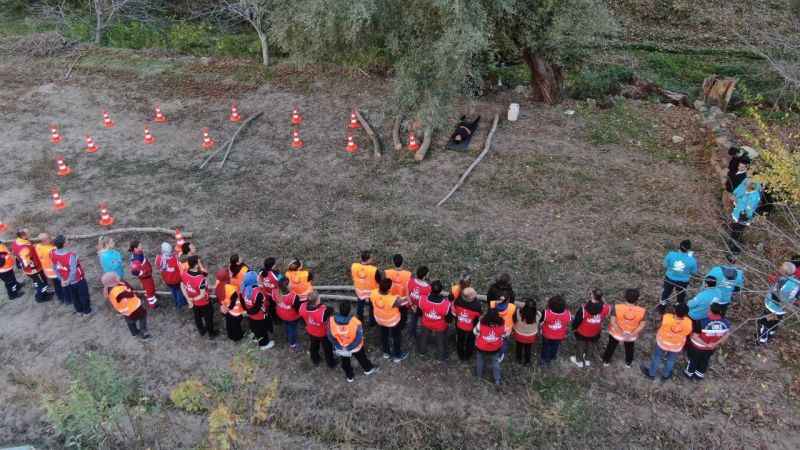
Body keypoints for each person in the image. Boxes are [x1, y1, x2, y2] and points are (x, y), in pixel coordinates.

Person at [328, 301, 378, 382]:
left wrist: (338, 345)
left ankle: (349, 376)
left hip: (342, 347)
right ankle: (368, 369)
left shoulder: (332, 321)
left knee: (345, 361)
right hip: (355, 347)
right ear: (349, 311)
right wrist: (350, 347)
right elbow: (358, 337)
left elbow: (330, 335)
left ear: (339, 310)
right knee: (362, 358)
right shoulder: (355, 322)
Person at [642, 303, 692, 380]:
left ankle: (651, 374)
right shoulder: (689, 322)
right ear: (686, 314)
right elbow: (688, 332)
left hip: (663, 342)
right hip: (676, 345)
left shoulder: (667, 317)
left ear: (675, 311)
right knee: (671, 360)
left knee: (657, 357)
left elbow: (660, 325)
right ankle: (665, 375)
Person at [685, 302, 731, 381]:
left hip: (697, 347)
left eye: (709, 310)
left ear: (711, 311)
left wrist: (706, 344)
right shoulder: (726, 323)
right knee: (705, 360)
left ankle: (689, 373)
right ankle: (699, 374)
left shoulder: (702, 322)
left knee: (693, 360)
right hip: (711, 348)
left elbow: (695, 336)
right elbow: (727, 334)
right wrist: (715, 344)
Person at [601, 288, 646, 368]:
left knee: (611, 346)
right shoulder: (642, 311)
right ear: (638, 298)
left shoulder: (617, 307)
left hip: (616, 333)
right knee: (629, 348)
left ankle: (606, 361)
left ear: (625, 297)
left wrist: (621, 332)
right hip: (631, 335)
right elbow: (642, 325)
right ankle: (628, 363)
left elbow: (613, 322)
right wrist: (631, 334)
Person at [758, 262, 800, 344]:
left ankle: (761, 340)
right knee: (775, 322)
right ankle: (770, 333)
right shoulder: (797, 283)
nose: (779, 268)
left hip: (772, 307)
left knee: (764, 322)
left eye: (781, 268)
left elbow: (776, 297)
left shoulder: (781, 281)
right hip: (782, 309)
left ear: (785, 272)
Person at [51, 234, 92, 315]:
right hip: (77, 280)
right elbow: (73, 271)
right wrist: (68, 280)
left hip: (66, 280)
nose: (68, 241)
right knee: (83, 295)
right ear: (64, 244)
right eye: (66, 240)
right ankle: (87, 311)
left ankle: (79, 310)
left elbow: (55, 268)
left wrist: (62, 279)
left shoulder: (53, 254)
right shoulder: (70, 256)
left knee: (74, 296)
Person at [370, 278, 409, 362]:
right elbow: (403, 303)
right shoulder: (392, 299)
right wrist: (408, 297)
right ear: (389, 288)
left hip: (380, 319)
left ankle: (386, 352)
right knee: (396, 337)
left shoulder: (373, 293)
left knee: (384, 335)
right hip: (392, 321)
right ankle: (397, 355)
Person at [101, 272, 149, 339]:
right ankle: (143, 333)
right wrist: (126, 285)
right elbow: (131, 294)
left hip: (125, 310)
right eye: (116, 278)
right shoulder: (118, 291)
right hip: (133, 308)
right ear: (113, 281)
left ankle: (134, 333)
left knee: (130, 321)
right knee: (143, 317)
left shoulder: (108, 289)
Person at [570, 289, 610, 368]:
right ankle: (587, 359)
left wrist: (574, 328)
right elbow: (607, 310)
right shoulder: (606, 308)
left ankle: (579, 361)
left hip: (582, 332)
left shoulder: (584, 309)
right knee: (591, 345)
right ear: (601, 297)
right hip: (595, 332)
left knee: (580, 345)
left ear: (592, 296)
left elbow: (577, 321)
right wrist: (601, 300)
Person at [11, 228, 52, 302]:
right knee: (41, 283)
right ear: (23, 235)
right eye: (28, 233)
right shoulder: (24, 248)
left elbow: (16, 254)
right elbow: (25, 261)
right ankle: (41, 298)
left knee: (37, 282)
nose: (29, 234)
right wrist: (29, 262)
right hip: (34, 269)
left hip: (30, 270)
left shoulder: (16, 242)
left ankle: (42, 294)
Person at [181, 255, 217, 339]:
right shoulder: (200, 279)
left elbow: (182, 285)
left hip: (194, 302)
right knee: (208, 318)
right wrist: (192, 299)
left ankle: (201, 330)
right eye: (199, 262)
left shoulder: (184, 273)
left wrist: (188, 298)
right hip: (204, 302)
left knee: (197, 317)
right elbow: (202, 294)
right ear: (196, 265)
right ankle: (211, 333)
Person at [299, 291, 336, 368]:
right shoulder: (323, 312)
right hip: (323, 334)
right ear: (317, 301)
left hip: (311, 331)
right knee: (327, 349)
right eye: (319, 298)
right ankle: (331, 363)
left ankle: (315, 359)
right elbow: (331, 310)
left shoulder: (302, 307)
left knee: (314, 346)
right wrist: (321, 305)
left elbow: (302, 317)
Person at [417, 280, 451, 361]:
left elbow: (419, 313)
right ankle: (440, 357)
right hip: (440, 326)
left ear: (430, 289)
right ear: (441, 291)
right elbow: (449, 319)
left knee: (423, 337)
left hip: (426, 323)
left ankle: (422, 352)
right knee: (440, 341)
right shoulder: (446, 304)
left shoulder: (422, 299)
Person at [658, 240, 698, 312]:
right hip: (683, 281)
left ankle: (662, 306)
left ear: (679, 246)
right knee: (681, 295)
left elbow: (665, 265)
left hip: (669, 278)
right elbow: (693, 272)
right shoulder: (692, 260)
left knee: (666, 292)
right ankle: (678, 307)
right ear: (689, 249)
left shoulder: (671, 254)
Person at [241, 271, 274, 350]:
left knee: (254, 327)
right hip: (259, 315)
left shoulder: (243, 288)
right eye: (257, 277)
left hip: (251, 314)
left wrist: (247, 311)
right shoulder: (258, 293)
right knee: (262, 330)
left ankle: (255, 338)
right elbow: (257, 308)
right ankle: (264, 344)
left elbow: (242, 301)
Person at [474, 308, 505, 385]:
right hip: (495, 348)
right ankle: (497, 379)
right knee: (495, 362)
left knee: (480, 360)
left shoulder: (481, 323)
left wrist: (479, 335)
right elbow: (504, 334)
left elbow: (475, 331)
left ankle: (479, 376)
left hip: (481, 347)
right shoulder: (502, 324)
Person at [540, 295, 571, 367]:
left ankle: (544, 360)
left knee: (546, 347)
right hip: (559, 336)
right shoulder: (567, 314)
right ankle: (552, 356)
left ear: (550, 304)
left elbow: (541, 322)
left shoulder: (546, 313)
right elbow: (567, 322)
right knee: (555, 346)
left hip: (546, 335)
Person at [273, 275, 302, 350]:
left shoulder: (275, 291)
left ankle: (287, 336)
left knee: (287, 325)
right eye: (290, 283)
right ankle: (293, 343)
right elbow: (297, 308)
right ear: (287, 287)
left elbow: (274, 300)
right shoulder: (293, 296)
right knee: (292, 329)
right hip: (292, 316)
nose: (291, 284)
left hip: (281, 313)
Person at [453, 287, 482, 361]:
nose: (475, 294)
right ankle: (468, 355)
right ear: (470, 297)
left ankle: (461, 355)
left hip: (459, 325)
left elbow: (455, 311)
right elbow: (478, 316)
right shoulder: (477, 305)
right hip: (471, 327)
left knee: (460, 340)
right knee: (470, 341)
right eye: (473, 294)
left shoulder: (457, 301)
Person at [215, 268, 245, 341]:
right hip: (233, 309)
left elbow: (219, 298)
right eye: (228, 273)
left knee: (229, 322)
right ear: (226, 277)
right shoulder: (230, 289)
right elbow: (234, 301)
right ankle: (237, 337)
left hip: (225, 307)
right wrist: (230, 308)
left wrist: (225, 308)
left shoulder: (218, 285)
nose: (230, 274)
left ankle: (230, 335)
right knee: (236, 324)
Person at [352, 250, 381, 325]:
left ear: (361, 258)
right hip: (371, 292)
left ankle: (360, 319)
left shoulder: (354, 266)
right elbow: (379, 281)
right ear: (369, 259)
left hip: (360, 291)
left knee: (360, 305)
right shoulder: (374, 270)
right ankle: (372, 321)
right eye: (371, 258)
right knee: (372, 307)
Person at [155, 243, 187, 309]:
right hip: (176, 280)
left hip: (167, 280)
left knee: (173, 291)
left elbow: (158, 265)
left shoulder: (158, 259)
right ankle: (180, 303)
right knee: (179, 291)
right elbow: (181, 268)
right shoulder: (174, 260)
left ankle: (176, 302)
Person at [35, 233, 64, 303]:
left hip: (47, 272)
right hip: (55, 272)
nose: (51, 238)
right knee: (60, 285)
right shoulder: (52, 250)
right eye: (49, 238)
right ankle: (63, 298)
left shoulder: (38, 246)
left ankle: (60, 297)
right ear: (45, 241)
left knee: (56, 285)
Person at [128, 241, 158, 308]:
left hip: (147, 276)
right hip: (146, 277)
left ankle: (150, 295)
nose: (142, 246)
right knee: (150, 289)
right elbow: (134, 271)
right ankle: (152, 304)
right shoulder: (136, 259)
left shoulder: (139, 253)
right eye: (140, 246)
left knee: (149, 288)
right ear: (135, 249)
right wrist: (143, 273)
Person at [406, 266, 431, 340]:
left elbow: (407, 294)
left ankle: (412, 333)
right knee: (422, 321)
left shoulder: (410, 281)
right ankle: (423, 335)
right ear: (425, 276)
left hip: (411, 306)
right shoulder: (428, 288)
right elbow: (427, 301)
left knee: (413, 320)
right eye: (428, 274)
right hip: (420, 309)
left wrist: (411, 305)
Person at [489, 294, 517, 362]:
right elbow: (515, 319)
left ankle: (492, 351)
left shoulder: (492, 304)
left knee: (494, 340)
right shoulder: (512, 307)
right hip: (506, 331)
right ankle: (500, 355)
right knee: (504, 343)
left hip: (494, 328)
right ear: (507, 300)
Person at [513, 299, 540, 366]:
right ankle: (527, 362)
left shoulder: (518, 313)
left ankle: (518, 359)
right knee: (528, 348)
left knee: (519, 347)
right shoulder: (538, 315)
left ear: (524, 307)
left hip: (519, 335)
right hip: (530, 336)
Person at [258, 257, 280, 332]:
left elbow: (259, 280)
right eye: (275, 264)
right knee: (276, 306)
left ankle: (274, 318)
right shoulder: (276, 274)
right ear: (272, 266)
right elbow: (283, 281)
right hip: (275, 295)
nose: (276, 265)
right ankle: (278, 319)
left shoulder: (261, 272)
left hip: (266, 294)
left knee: (271, 307)